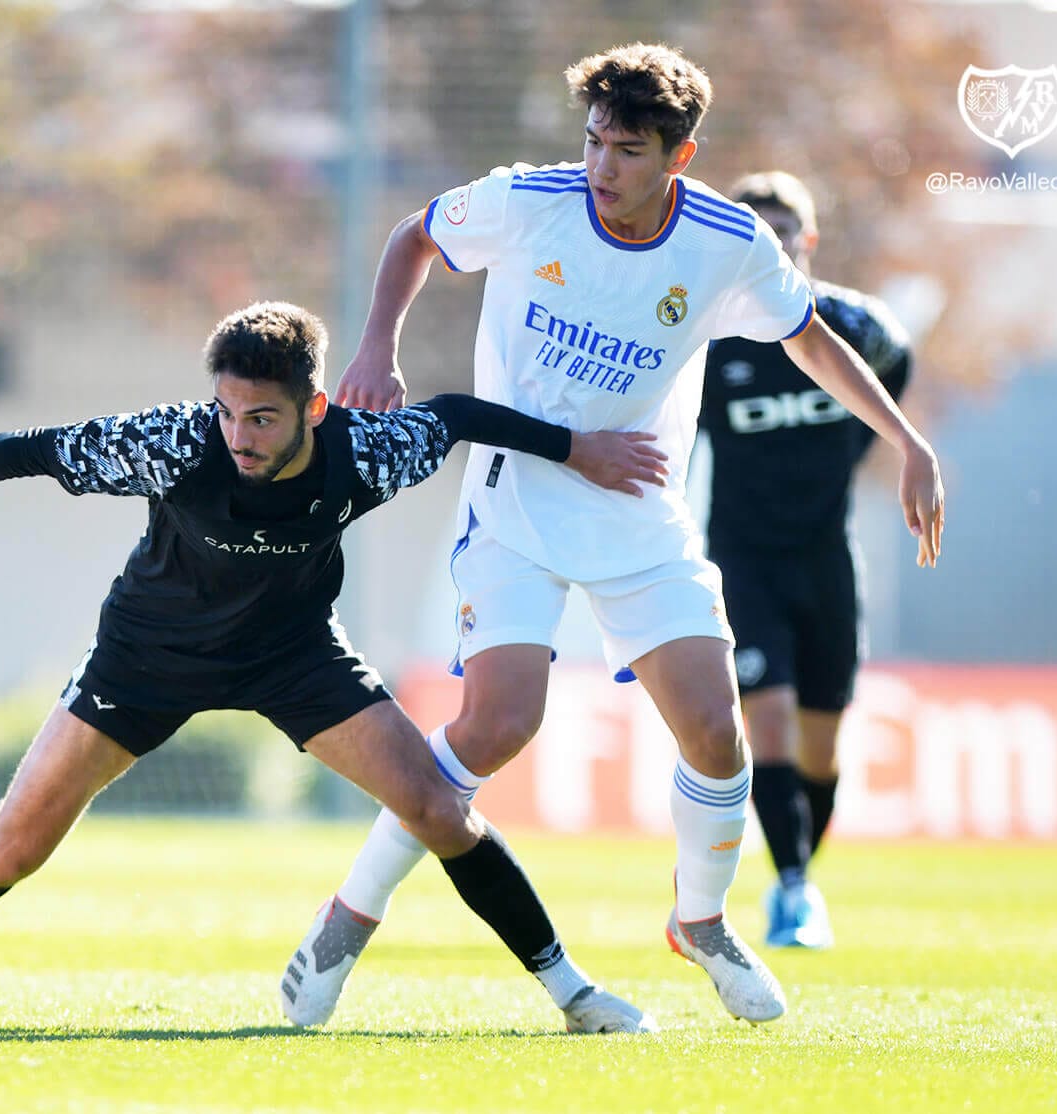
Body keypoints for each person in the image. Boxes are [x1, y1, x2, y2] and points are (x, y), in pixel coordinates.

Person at [0, 301, 668, 1033]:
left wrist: (577, 448)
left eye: (263, 417)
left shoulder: (370, 451)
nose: (239, 435)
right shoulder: (174, 442)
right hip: (147, 655)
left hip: (292, 655)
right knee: (12, 847)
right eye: (229, 412)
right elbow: (26, 451)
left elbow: (462, 415)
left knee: (439, 807)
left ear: (315, 410)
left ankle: (573, 995)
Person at [292, 42, 945, 1026]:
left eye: (628, 150)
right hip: (514, 506)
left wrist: (905, 441)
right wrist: (377, 342)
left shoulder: (725, 240)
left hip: (641, 520)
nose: (601, 165)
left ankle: (699, 920)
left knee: (716, 735)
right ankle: (347, 916)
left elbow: (806, 336)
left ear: (677, 157)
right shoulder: (530, 199)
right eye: (594, 140)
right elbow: (413, 235)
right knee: (497, 726)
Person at [700, 171, 912, 949]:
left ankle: (796, 875)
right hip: (744, 558)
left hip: (827, 558)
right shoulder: (712, 341)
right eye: (760, 232)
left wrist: (856, 451)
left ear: (807, 241)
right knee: (773, 722)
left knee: (823, 746)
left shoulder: (855, 327)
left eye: (786, 231)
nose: (777, 244)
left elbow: (898, 368)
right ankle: (794, 893)